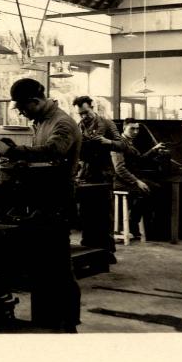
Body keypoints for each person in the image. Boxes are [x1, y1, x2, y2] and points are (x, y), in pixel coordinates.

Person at [0, 78, 82, 333]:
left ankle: (67, 325)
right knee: (43, 267)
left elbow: (53, 151)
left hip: (57, 201)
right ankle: (46, 322)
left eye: (23, 107)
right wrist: (17, 155)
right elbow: (39, 155)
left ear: (35, 101)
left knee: (59, 268)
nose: (21, 112)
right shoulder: (40, 121)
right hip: (41, 199)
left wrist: (13, 152)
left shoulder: (62, 122)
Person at [73, 95, 125, 262]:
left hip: (103, 173)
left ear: (92, 107)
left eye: (86, 113)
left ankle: (106, 251)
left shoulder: (107, 123)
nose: (83, 117)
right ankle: (88, 248)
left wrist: (106, 141)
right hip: (86, 173)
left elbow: (122, 145)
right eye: (80, 114)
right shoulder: (79, 127)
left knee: (104, 213)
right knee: (87, 213)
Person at [111, 118, 167, 239]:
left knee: (157, 189)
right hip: (120, 181)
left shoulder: (129, 143)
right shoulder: (118, 143)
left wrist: (154, 150)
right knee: (149, 190)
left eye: (137, 129)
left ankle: (134, 222)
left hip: (130, 180)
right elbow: (120, 169)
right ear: (124, 128)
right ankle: (132, 223)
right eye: (132, 128)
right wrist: (137, 182)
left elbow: (139, 160)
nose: (136, 131)